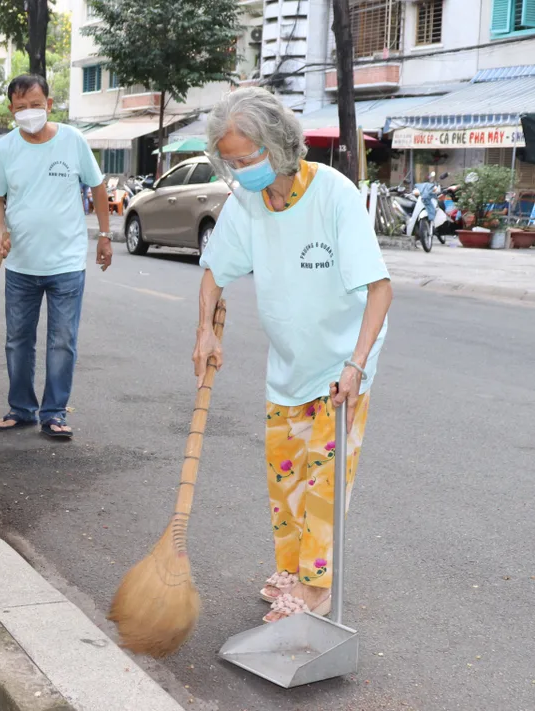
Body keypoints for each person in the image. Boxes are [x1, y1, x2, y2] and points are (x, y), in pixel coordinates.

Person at [192, 87, 393, 623]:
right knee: (285, 482)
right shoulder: (247, 203)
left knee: (325, 483)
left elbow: (379, 289)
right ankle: (292, 568)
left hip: (340, 366)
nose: (241, 169)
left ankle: (316, 587)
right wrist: (205, 332)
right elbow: (216, 270)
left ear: (279, 145)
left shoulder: (333, 194)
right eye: (231, 161)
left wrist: (355, 365)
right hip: (288, 367)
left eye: (248, 157)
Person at [0, 74, 112, 440]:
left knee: (62, 341)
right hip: (21, 264)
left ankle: (53, 413)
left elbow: (97, 186)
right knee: (17, 341)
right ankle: (21, 408)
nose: (29, 112)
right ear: (11, 110)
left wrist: (104, 235)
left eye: (36, 105)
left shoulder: (72, 140)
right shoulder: (6, 148)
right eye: (21, 107)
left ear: (49, 105)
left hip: (67, 263)